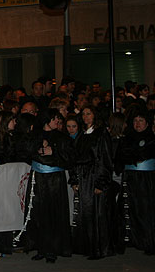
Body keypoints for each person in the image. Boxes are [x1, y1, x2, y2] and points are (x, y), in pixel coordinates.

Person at [23, 108, 73, 263]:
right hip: (38, 179)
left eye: (58, 119)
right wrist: (40, 147)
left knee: (54, 212)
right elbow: (27, 151)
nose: (57, 121)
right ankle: (40, 247)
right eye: (54, 119)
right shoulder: (35, 135)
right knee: (38, 212)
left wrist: (53, 152)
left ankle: (53, 249)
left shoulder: (62, 137)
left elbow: (69, 158)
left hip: (54, 180)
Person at [69, 105, 116, 259]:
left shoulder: (101, 134)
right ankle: (88, 247)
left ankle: (100, 248)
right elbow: (75, 158)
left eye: (89, 114)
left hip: (95, 176)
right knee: (86, 213)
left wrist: (101, 182)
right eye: (83, 114)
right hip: (83, 177)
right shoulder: (82, 134)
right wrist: (75, 178)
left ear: (95, 115)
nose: (86, 117)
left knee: (98, 213)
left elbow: (105, 158)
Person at [116, 109, 155, 255]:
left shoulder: (151, 138)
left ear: (147, 123)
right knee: (128, 209)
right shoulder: (127, 138)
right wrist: (134, 156)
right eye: (135, 121)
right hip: (130, 178)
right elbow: (122, 155)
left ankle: (146, 241)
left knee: (145, 209)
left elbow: (145, 153)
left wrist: (134, 155)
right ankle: (129, 239)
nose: (137, 124)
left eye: (141, 121)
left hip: (146, 180)